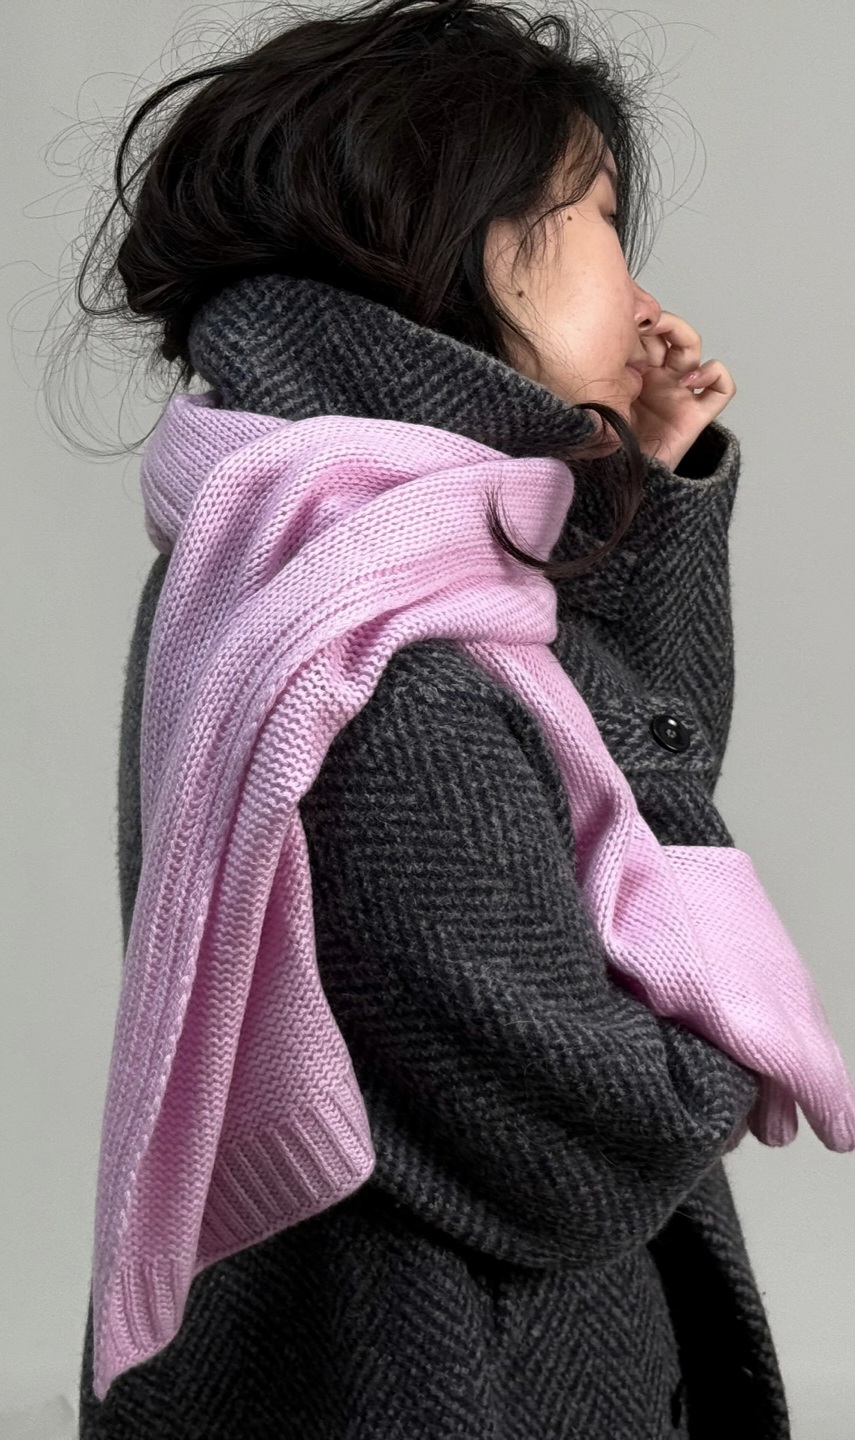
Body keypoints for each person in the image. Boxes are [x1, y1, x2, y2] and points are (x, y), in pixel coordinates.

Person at [66, 0, 799, 1434]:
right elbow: (600, 1139)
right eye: (601, 218)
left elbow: (611, 761)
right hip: (470, 1379)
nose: (641, 287)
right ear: (458, 239)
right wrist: (735, 993)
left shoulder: (302, 556)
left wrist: (640, 491)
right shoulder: (380, 662)